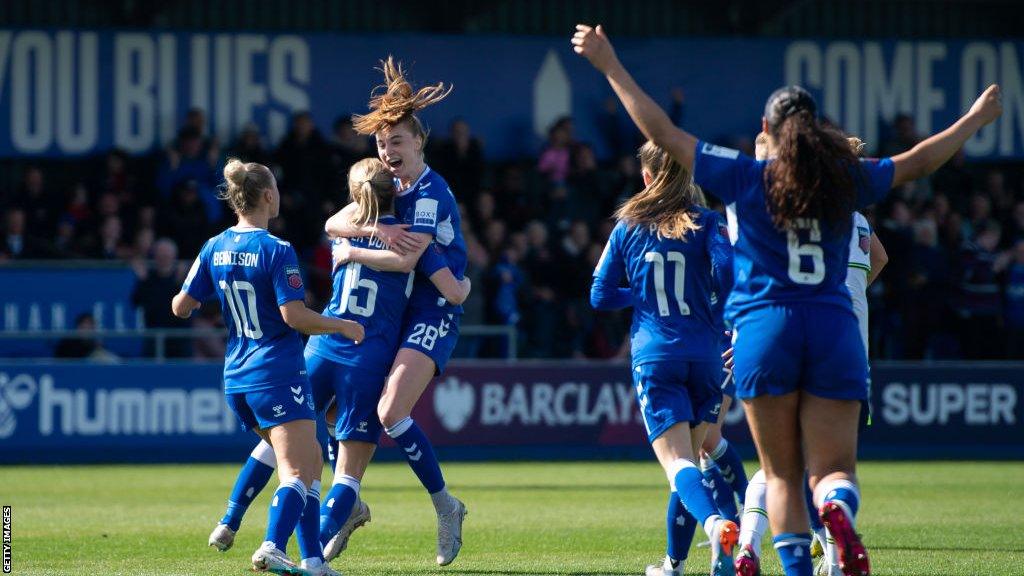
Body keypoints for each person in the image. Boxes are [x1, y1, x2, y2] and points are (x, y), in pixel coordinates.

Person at [572, 22, 1002, 576]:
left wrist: (609, 65)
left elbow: (663, 131)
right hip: (833, 329)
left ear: (766, 130)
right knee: (831, 471)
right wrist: (974, 119)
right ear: (815, 131)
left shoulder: (747, 178)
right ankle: (836, 509)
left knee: (779, 476)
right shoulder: (844, 182)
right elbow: (918, 160)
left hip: (766, 331)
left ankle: (789, 559)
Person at [208, 158, 471, 566]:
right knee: (347, 470)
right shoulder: (413, 242)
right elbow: (450, 290)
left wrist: (354, 247)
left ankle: (230, 519)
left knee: (283, 438)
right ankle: (308, 557)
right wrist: (465, 283)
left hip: (322, 347)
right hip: (367, 353)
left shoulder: (341, 236)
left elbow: (335, 223)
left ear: (354, 196)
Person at [172, 158, 364, 576]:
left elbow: (181, 306)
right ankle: (272, 546)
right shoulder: (276, 249)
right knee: (297, 469)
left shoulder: (213, 246)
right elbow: (295, 316)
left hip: (236, 379)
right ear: (266, 196)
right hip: (276, 373)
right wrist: (342, 325)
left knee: (311, 458)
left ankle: (313, 560)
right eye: (275, 187)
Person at [324, 56, 469, 566]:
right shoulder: (386, 192)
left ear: (419, 144)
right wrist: (374, 227)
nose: (388, 152)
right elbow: (333, 222)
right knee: (345, 406)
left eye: (398, 142)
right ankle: (349, 505)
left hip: (433, 310)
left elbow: (411, 258)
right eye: (382, 144)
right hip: (398, 311)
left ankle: (446, 506)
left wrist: (360, 247)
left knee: (390, 412)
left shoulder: (430, 191)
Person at [734, 135, 891, 576]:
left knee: (781, 465)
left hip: (789, 343)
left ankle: (749, 544)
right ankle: (836, 551)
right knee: (832, 468)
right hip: (846, 352)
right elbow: (879, 258)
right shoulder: (857, 222)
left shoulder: (781, 212)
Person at [591, 140, 738, 576]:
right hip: (707, 352)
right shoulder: (709, 222)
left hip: (657, 353)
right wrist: (720, 314)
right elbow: (729, 271)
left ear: (648, 177)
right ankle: (675, 564)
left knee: (677, 466)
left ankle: (716, 528)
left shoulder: (627, 226)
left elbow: (599, 294)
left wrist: (642, 294)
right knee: (689, 462)